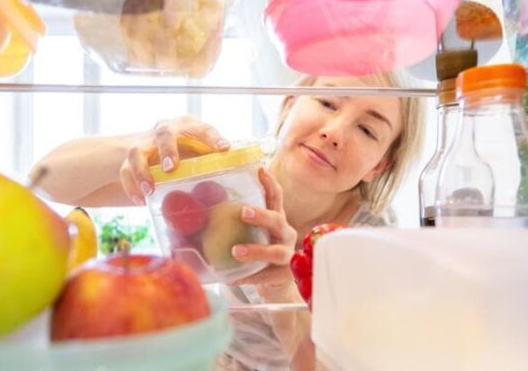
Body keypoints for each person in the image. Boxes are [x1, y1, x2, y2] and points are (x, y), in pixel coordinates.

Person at [31, 72, 424, 370]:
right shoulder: (226, 176)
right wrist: (136, 146)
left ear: (379, 165)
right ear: (288, 105)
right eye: (327, 102)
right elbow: (48, 179)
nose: (335, 132)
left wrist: (281, 288)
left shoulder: (371, 241)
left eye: (368, 129)